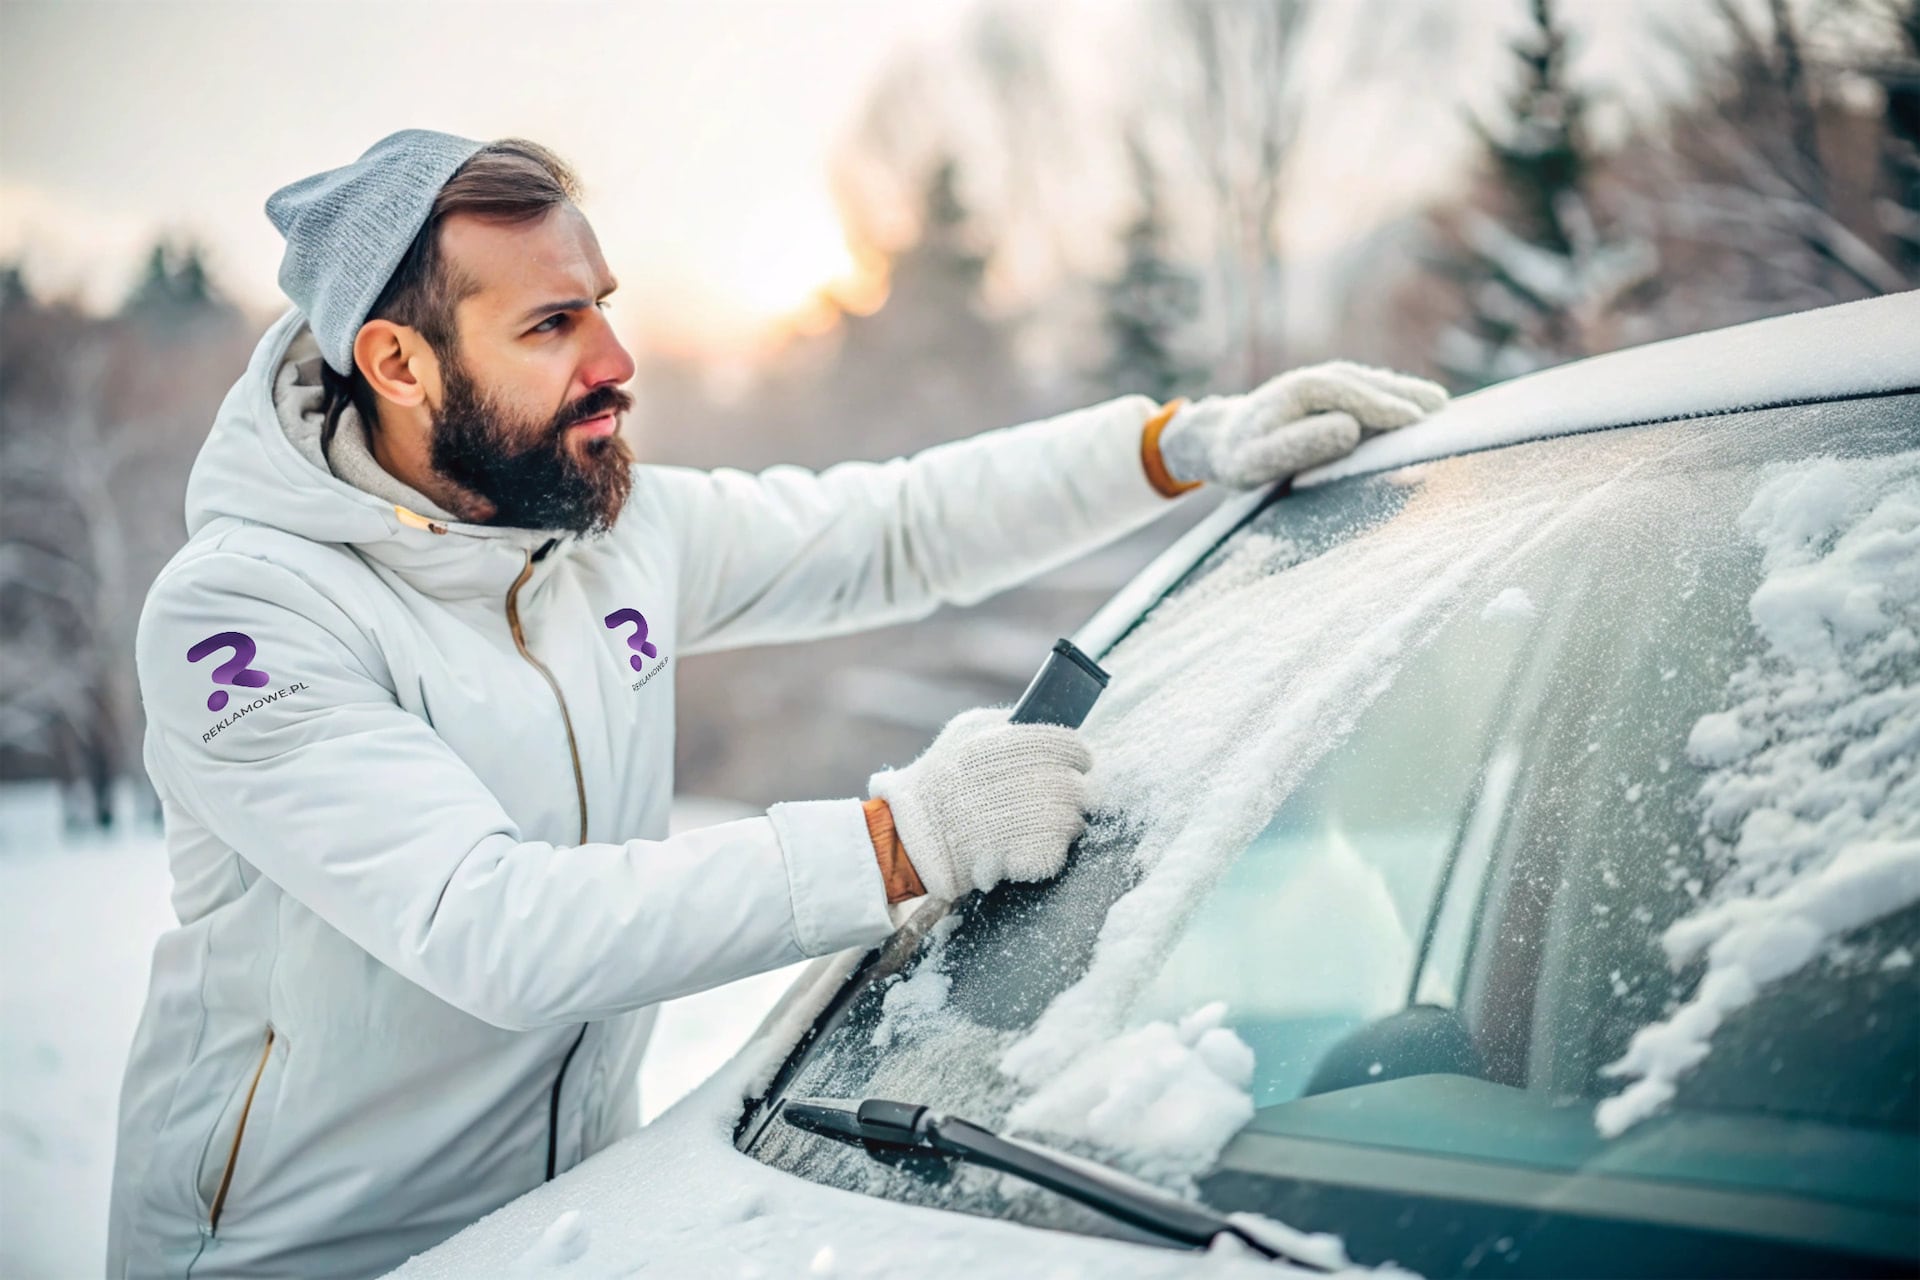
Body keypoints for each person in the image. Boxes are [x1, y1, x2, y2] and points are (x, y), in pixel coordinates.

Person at [106, 128, 1447, 1278]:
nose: (616, 359)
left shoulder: (598, 528)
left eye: (603, 303)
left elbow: (897, 528)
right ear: (396, 365)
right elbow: (489, 928)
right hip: (308, 1255)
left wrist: (1170, 446)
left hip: (561, 1230)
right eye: (550, 323)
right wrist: (900, 843)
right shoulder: (250, 616)